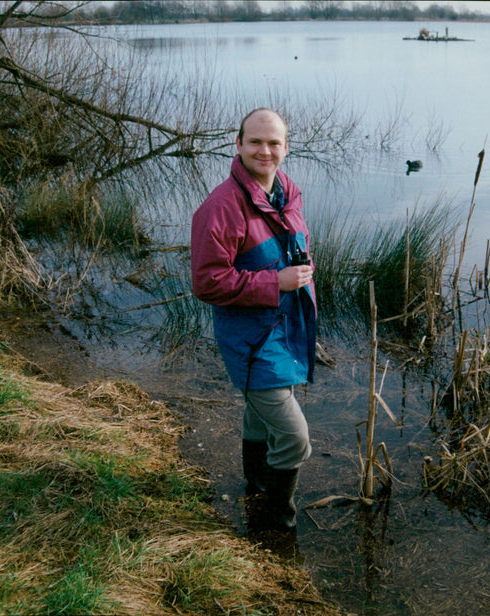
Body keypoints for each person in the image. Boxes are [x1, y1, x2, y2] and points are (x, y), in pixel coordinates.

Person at [191, 108, 316, 532]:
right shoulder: (221, 207)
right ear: (239, 145)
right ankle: (276, 520)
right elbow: (207, 283)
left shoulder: (287, 193)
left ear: (286, 147)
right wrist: (275, 282)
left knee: (257, 414)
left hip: (285, 330)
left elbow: (296, 251)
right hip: (251, 341)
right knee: (295, 439)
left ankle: (255, 483)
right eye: (256, 142)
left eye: (274, 142)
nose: (265, 150)